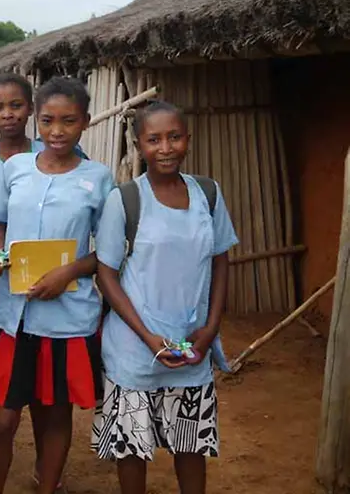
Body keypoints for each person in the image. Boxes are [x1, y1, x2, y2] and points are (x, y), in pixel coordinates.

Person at [91, 100, 237, 494]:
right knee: (132, 450)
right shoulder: (125, 199)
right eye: (154, 139)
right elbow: (106, 273)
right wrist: (146, 336)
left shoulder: (208, 193)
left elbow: (221, 260)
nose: (166, 147)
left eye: (174, 137)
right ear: (139, 146)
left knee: (190, 446)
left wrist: (210, 329)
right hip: (135, 350)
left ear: (187, 139)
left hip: (192, 346)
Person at [0, 77, 114, 494]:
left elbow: (107, 253)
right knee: (3, 419)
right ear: (37, 120)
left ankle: (47, 485)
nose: (57, 131)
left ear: (85, 123)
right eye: (49, 120)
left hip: (66, 317)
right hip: (15, 315)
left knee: (55, 414)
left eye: (68, 121)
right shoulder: (15, 168)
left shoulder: (98, 178)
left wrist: (68, 272)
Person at [0, 73, 85, 494]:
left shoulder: (74, 161)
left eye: (16, 106)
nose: (7, 114)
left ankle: (47, 470)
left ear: (29, 109)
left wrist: (67, 271)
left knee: (47, 389)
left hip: (52, 300)